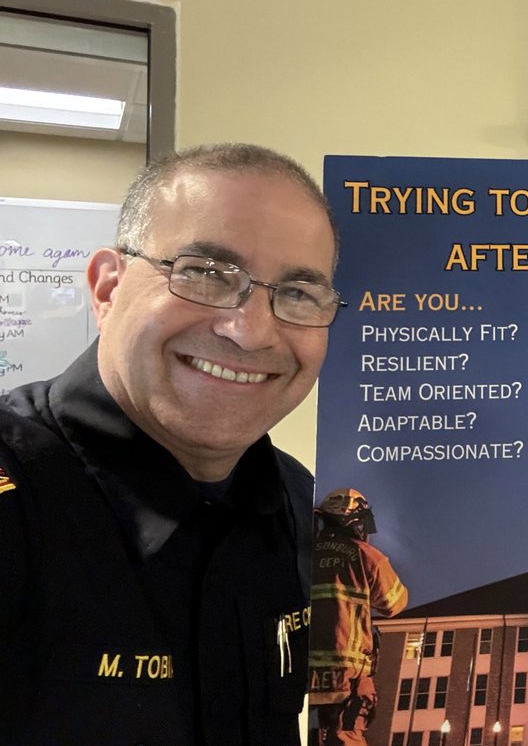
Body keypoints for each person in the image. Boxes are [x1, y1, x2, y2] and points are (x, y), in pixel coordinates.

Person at [0, 143, 343, 745]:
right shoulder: (16, 501)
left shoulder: (298, 502)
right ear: (107, 288)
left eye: (297, 294)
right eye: (206, 274)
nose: (251, 331)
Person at [309, 487, 408, 745]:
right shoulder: (366, 556)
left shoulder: (304, 554)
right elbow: (394, 603)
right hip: (347, 677)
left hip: (300, 674)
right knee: (345, 737)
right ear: (357, 522)